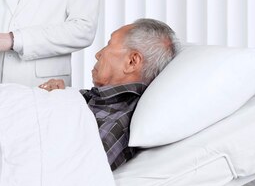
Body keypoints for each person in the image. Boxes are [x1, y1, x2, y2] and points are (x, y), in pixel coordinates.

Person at [39, 18, 177, 171]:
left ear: (132, 61)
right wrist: (51, 98)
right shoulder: (100, 101)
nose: (98, 54)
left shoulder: (117, 124)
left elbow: (62, 173)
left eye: (109, 44)